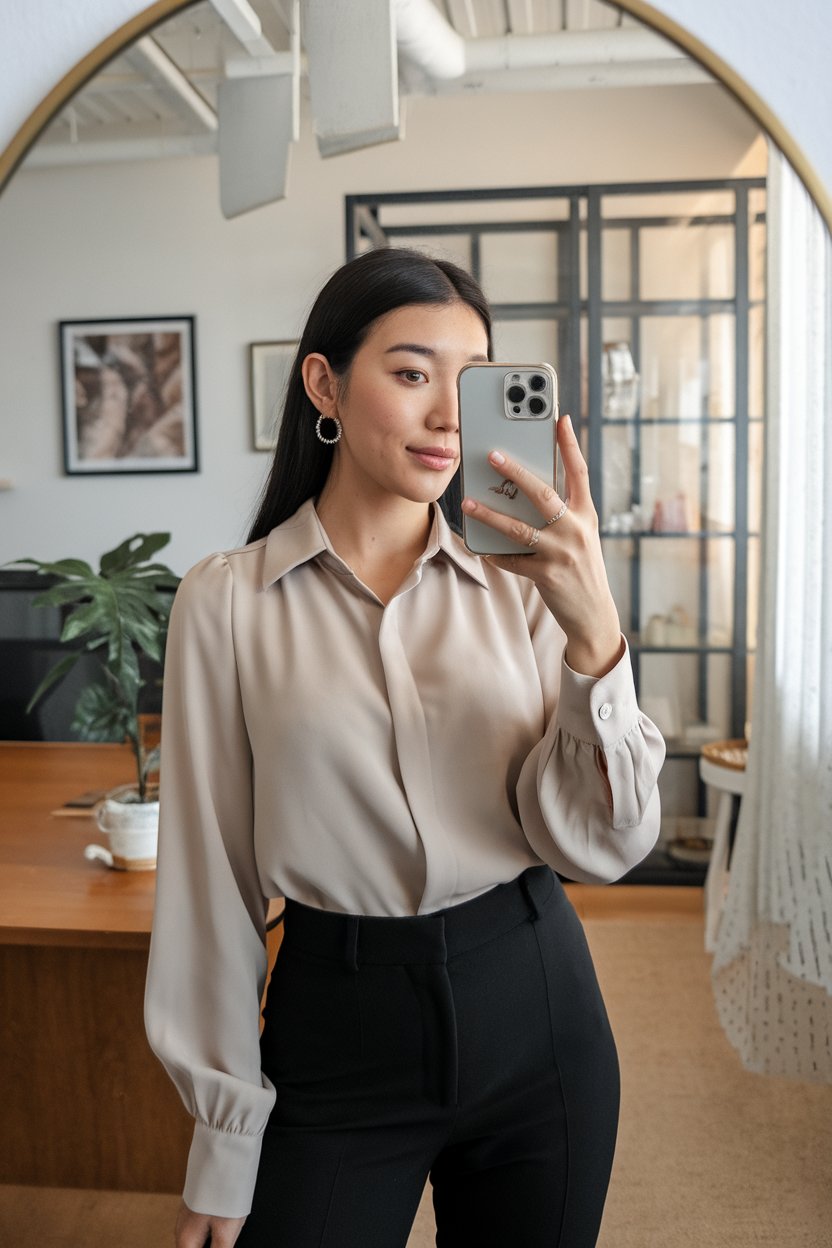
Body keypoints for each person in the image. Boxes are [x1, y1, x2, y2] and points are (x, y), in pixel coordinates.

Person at [144, 247, 665, 1248]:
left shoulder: (525, 586)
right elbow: (209, 883)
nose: (449, 417)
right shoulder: (226, 603)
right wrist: (223, 1137)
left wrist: (596, 634)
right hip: (336, 1024)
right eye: (413, 372)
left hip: (536, 1003)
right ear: (324, 384)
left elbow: (603, 845)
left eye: (472, 382)